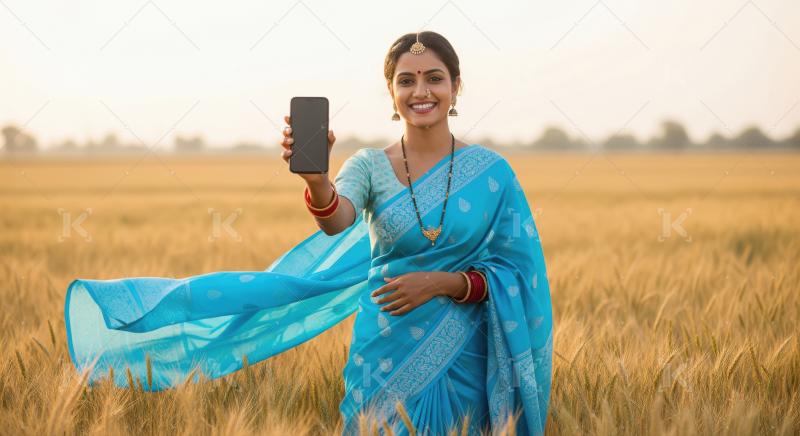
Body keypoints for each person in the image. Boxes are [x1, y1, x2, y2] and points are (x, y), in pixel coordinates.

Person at [64, 31, 553, 436]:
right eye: (406, 80)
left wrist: (446, 284)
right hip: (385, 345)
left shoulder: (493, 173)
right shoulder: (368, 166)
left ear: (456, 87)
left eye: (434, 79)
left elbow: (519, 270)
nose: (420, 91)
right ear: (391, 92)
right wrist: (316, 178)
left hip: (466, 349)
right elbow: (337, 219)